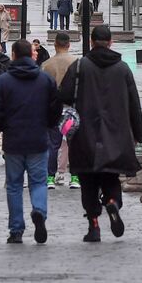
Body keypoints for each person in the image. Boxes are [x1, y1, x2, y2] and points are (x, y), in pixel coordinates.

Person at [59, 26, 142, 242]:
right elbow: (135, 104)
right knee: (111, 177)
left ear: (91, 41)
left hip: (85, 135)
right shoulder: (123, 69)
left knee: (87, 182)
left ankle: (94, 226)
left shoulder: (79, 67)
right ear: (111, 42)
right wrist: (138, 134)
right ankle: (112, 203)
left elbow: (64, 95)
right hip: (116, 135)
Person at [0, 39, 61, 244]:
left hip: (14, 140)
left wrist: (2, 126)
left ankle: (16, 229)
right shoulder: (45, 80)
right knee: (38, 182)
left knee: (14, 186)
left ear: (14, 55)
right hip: (38, 138)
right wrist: (48, 124)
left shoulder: (4, 81)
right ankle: (39, 211)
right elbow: (56, 108)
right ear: (31, 54)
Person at [41, 31, 77, 190]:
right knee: (73, 144)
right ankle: (75, 177)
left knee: (53, 145)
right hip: (71, 111)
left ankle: (50, 177)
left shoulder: (47, 65)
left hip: (53, 110)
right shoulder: (77, 62)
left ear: (55, 45)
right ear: (68, 45)